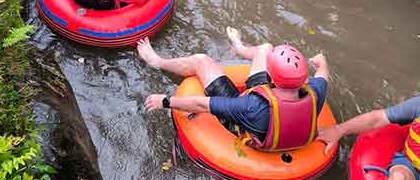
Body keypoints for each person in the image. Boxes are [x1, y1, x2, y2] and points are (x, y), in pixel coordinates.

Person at [141, 27, 330, 152]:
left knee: (201, 60)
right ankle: (239, 47)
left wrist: (165, 101)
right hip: (269, 114)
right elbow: (323, 74)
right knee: (265, 48)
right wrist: (321, 62)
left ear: (270, 76)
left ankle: (157, 61)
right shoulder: (316, 93)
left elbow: (201, 104)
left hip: (250, 124)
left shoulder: (250, 105)